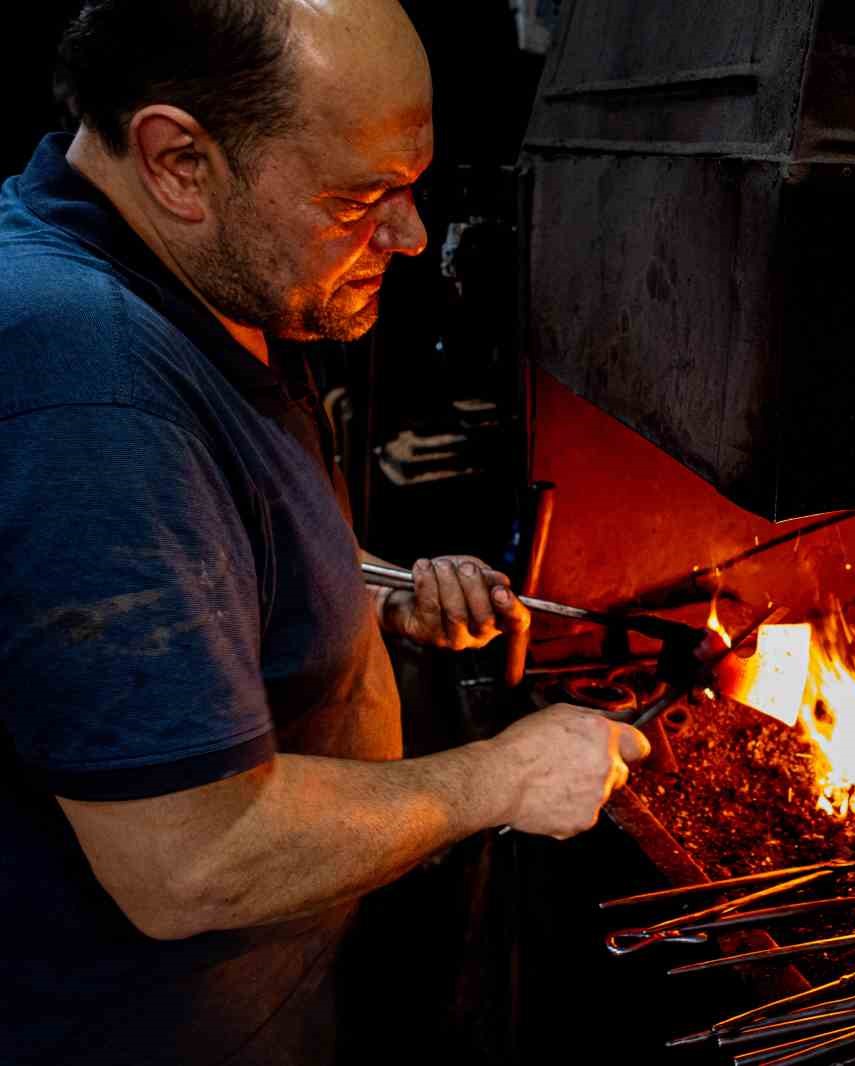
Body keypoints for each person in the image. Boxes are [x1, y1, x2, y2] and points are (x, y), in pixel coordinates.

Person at [0, 1, 649, 1063]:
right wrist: (505, 776)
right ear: (177, 161)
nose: (409, 236)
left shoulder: (184, 284)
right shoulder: (85, 381)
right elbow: (190, 857)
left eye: (412, 183)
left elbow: (171, 552)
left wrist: (366, 598)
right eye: (359, 197)